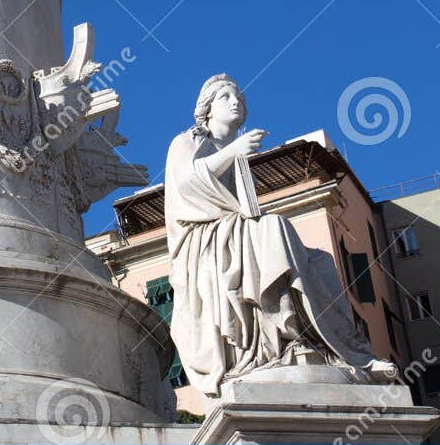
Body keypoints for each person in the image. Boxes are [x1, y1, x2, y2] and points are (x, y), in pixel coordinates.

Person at [164, 74, 397, 398]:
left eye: (240, 99)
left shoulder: (238, 157)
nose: (236, 101)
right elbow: (186, 183)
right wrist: (233, 152)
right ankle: (282, 334)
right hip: (201, 238)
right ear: (207, 109)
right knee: (272, 228)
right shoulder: (188, 141)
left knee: (322, 262)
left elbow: (245, 212)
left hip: (234, 230)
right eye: (226, 97)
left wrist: (235, 154)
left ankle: (341, 350)